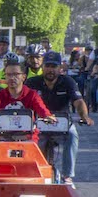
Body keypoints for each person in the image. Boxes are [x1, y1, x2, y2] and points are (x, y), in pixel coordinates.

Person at [27, 51, 92, 185]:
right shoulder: (32, 82)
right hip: (39, 123)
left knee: (72, 135)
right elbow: (23, 102)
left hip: (63, 123)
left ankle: (67, 176)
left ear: (60, 68)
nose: (50, 70)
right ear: (42, 67)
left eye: (54, 66)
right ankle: (33, 172)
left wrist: (84, 116)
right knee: (29, 141)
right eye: (48, 66)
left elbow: (78, 101)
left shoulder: (68, 81)